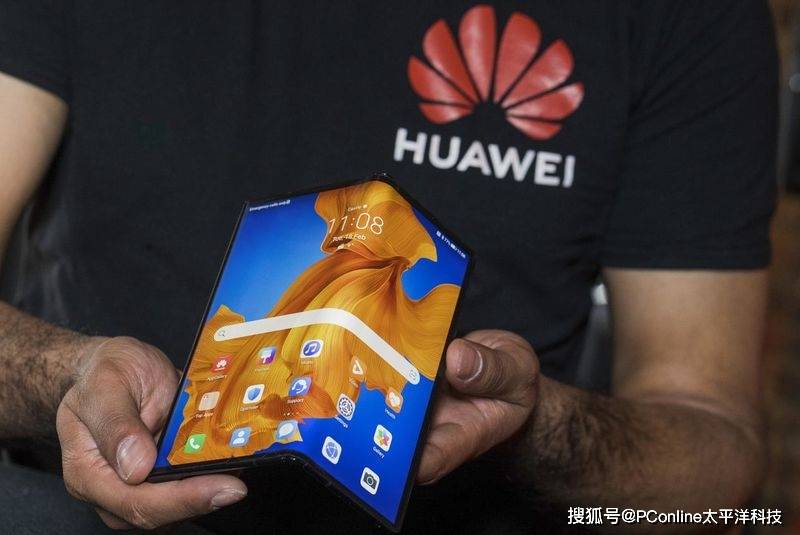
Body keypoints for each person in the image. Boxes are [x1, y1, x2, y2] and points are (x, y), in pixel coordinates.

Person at [0, 1, 777, 533]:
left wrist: (534, 428)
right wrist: (68, 375)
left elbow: (722, 464)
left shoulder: (683, 18)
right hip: (69, 504)